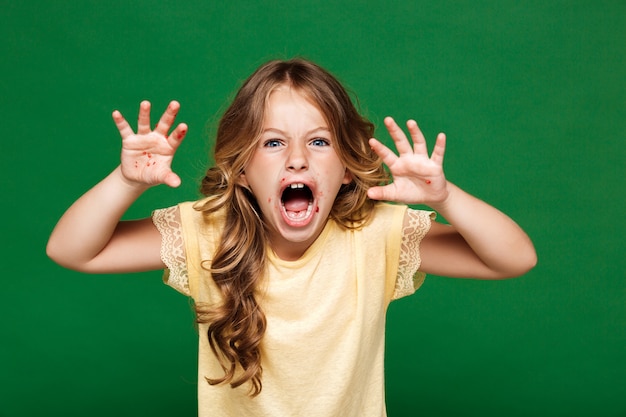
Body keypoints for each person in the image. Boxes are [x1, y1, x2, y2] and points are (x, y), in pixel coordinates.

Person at [47, 58, 537, 417]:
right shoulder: (206, 232)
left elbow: (513, 258)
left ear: (347, 169)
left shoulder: (377, 235)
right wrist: (126, 181)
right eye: (273, 142)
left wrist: (445, 197)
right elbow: (70, 250)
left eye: (319, 141)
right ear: (241, 170)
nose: (297, 159)